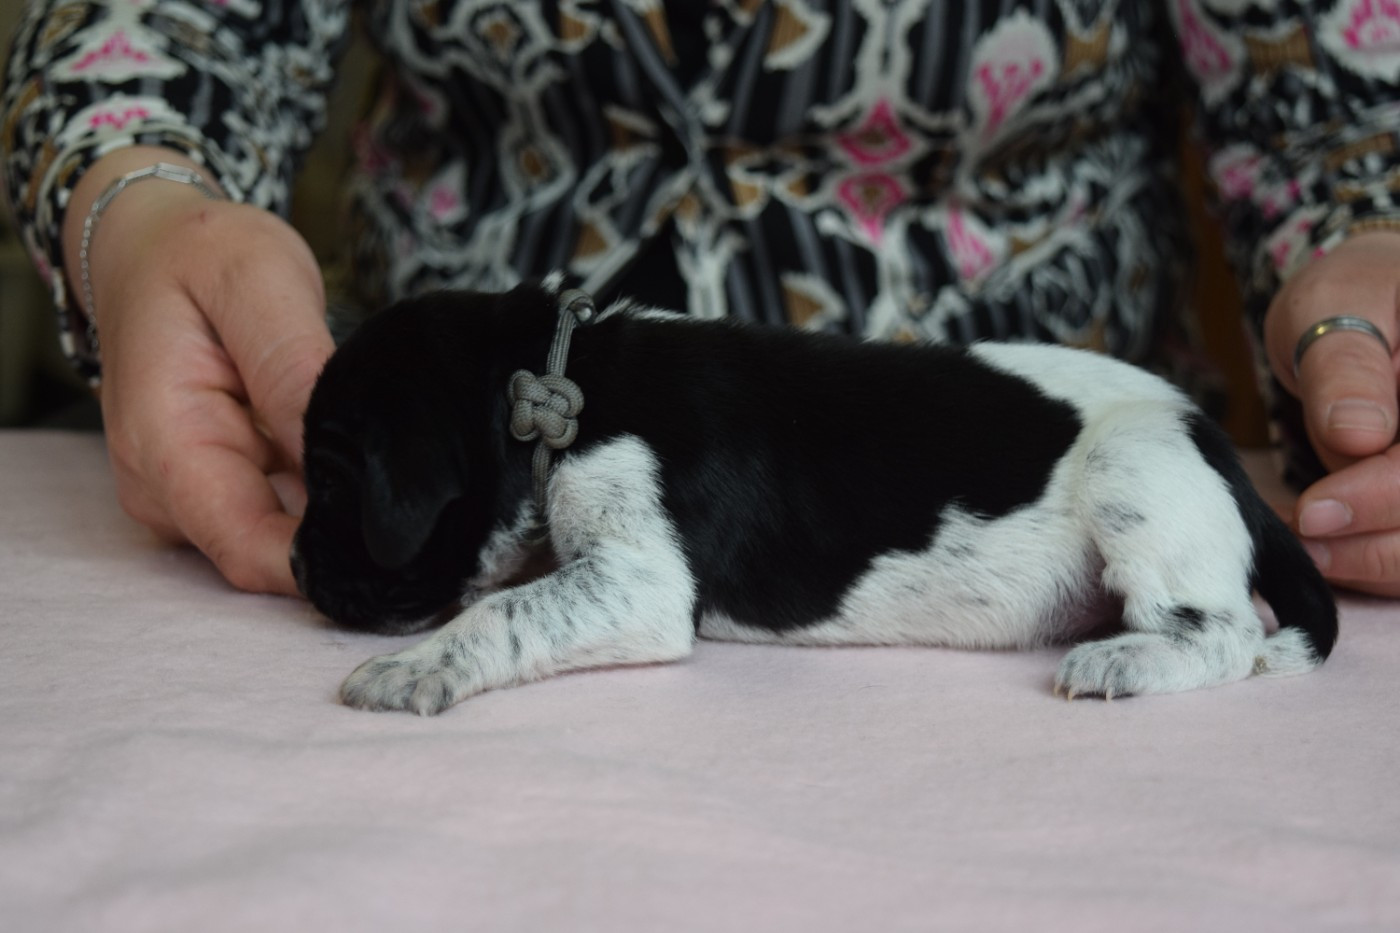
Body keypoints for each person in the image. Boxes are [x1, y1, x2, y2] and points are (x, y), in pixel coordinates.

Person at [3, 1, 1399, 598]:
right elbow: (170, 27)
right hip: (452, 503)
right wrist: (135, 203)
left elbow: (1339, 104)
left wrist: (1369, 259)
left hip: (1021, 520)